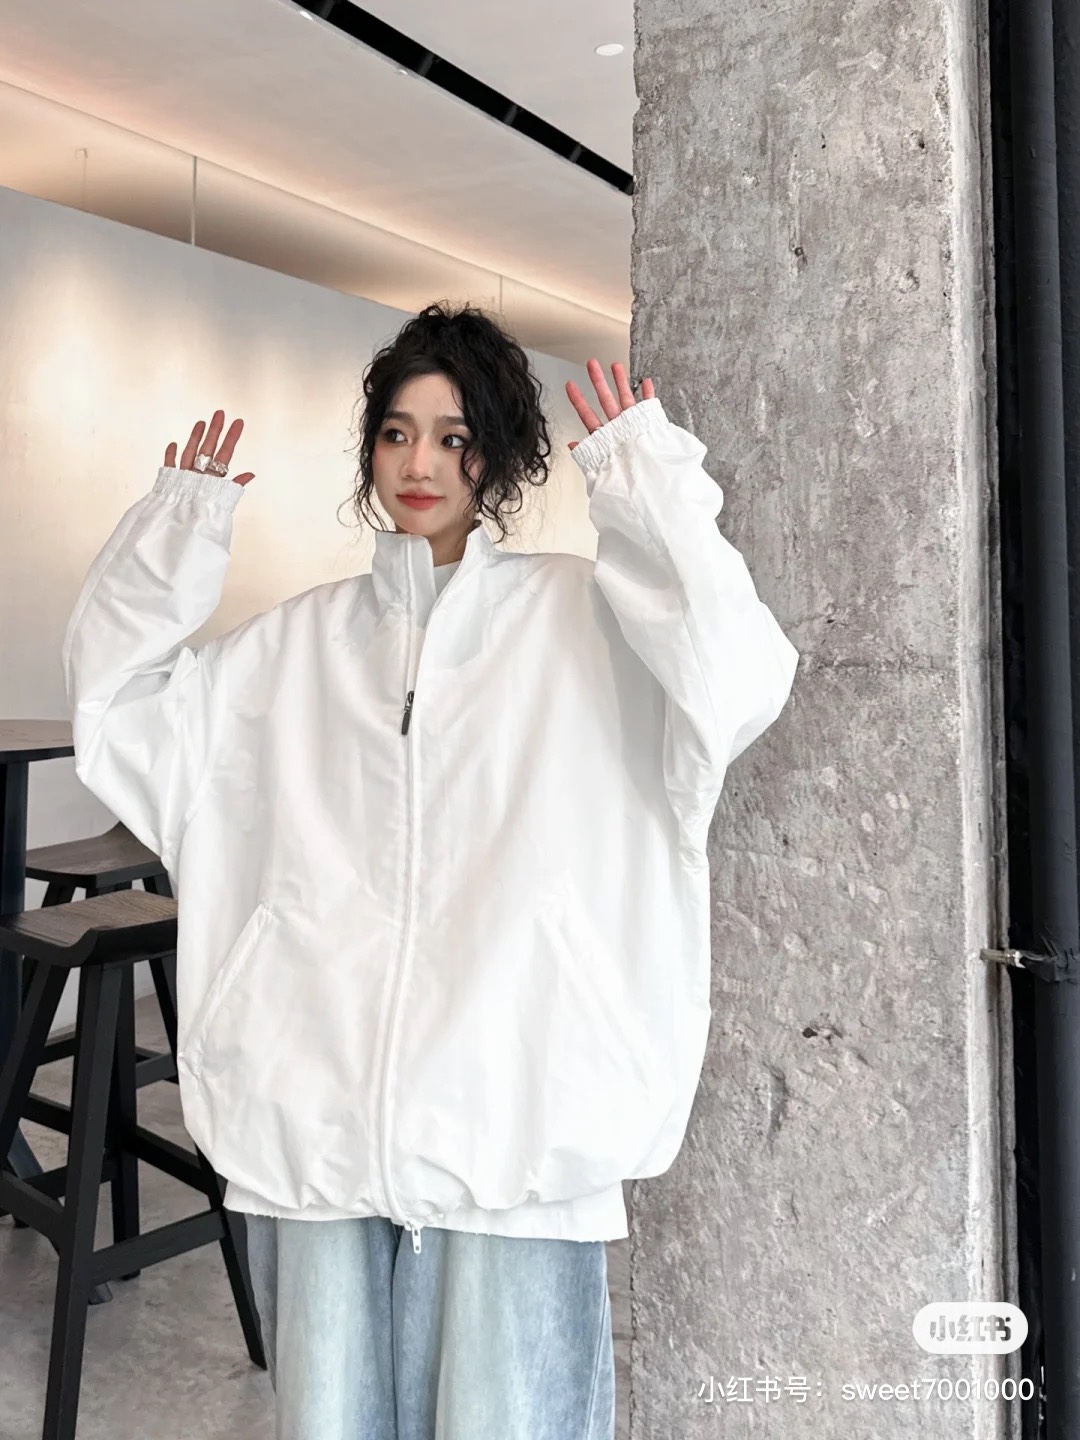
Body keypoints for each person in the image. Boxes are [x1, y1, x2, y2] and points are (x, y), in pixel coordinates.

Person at [61, 301, 799, 1439]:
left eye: (454, 438)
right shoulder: (292, 648)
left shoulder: (584, 624)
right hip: (315, 1119)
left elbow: (736, 677)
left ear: (493, 456)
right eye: (398, 433)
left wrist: (649, 484)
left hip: (520, 1123)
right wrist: (173, 536)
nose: (420, 464)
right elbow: (117, 714)